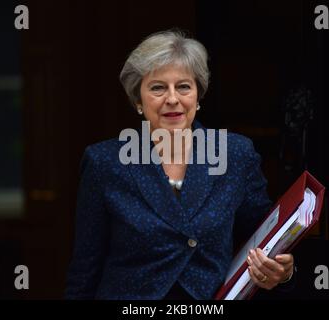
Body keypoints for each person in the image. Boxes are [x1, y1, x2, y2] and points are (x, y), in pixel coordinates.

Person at [65, 30, 295, 300]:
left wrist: (282, 271)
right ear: (138, 100)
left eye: (184, 86)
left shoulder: (235, 155)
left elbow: (265, 240)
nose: (172, 98)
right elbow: (85, 269)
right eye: (157, 87)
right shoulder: (105, 163)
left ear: (198, 97)